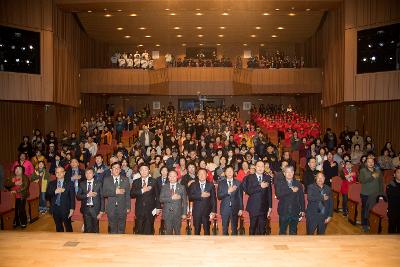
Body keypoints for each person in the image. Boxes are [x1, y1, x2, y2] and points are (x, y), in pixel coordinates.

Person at [243, 160, 272, 235]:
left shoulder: (267, 177)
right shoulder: (249, 177)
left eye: (262, 166)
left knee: (262, 229)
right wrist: (260, 186)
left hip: (264, 207)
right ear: (255, 167)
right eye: (258, 166)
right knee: (253, 227)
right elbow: (248, 191)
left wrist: (270, 206)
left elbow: (269, 193)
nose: (260, 168)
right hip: (253, 207)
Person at [275, 166, 305, 235]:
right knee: (282, 232)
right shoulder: (280, 183)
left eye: (291, 171)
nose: (289, 173)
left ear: (293, 172)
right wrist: (290, 190)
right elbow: (278, 194)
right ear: (284, 173)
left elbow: (301, 198)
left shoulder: (298, 184)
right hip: (283, 211)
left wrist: (303, 210)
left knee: (293, 232)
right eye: (287, 172)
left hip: (295, 211)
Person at [102, 162, 131, 234]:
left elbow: (127, 194)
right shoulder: (106, 179)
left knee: (122, 229)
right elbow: (104, 193)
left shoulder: (125, 179)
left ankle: (120, 244)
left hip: (123, 208)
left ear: (120, 170)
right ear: (111, 170)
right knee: (112, 229)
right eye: (114, 168)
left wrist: (128, 207)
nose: (116, 169)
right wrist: (115, 192)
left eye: (118, 168)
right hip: (111, 208)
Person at [45, 166, 75, 232]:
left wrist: (72, 209)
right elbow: (47, 196)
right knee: (58, 227)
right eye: (57, 172)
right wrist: (55, 192)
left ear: (64, 173)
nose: (59, 174)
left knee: (68, 226)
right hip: (55, 208)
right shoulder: (51, 183)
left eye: (61, 172)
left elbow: (72, 198)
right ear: (55, 174)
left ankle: (70, 240)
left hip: (66, 208)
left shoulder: (70, 183)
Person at [359, 157, 384, 232]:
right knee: (365, 210)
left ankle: (371, 223)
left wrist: (381, 193)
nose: (371, 163)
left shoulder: (378, 171)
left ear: (374, 163)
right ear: (366, 163)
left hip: (375, 194)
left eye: (372, 162)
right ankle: (364, 224)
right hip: (365, 194)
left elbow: (381, 183)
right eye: (369, 162)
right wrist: (372, 177)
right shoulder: (363, 170)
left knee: (373, 210)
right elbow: (362, 181)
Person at [131, 164, 157, 235]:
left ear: (149, 170)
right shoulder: (136, 181)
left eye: (146, 169)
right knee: (139, 230)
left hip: (151, 209)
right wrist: (142, 190)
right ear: (139, 171)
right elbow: (132, 194)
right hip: (139, 209)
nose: (144, 171)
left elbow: (157, 196)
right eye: (142, 169)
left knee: (149, 230)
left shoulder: (154, 181)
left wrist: (158, 208)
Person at [189, 168, 217, 235]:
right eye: (200, 174)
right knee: (196, 231)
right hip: (196, 212)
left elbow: (213, 199)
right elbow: (190, 197)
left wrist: (213, 211)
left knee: (207, 231)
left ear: (207, 175)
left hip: (207, 212)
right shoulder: (193, 185)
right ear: (197, 175)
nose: (201, 175)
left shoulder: (210, 185)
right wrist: (200, 195)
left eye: (203, 173)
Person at [159, 170, 187, 235]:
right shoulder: (164, 187)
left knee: (177, 233)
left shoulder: (182, 187)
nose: (172, 178)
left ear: (177, 177)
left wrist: (184, 213)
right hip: (167, 214)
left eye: (174, 176)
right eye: (170, 176)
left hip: (178, 213)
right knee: (168, 233)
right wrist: (171, 198)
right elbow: (161, 199)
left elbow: (185, 202)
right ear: (168, 177)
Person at [217, 165, 243, 235]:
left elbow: (240, 197)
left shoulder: (238, 183)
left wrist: (241, 208)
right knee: (225, 228)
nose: (229, 173)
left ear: (233, 172)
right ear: (225, 173)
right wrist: (228, 191)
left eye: (231, 171)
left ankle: (234, 245)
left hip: (235, 208)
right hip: (225, 209)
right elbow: (219, 196)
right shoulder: (221, 183)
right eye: (227, 171)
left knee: (234, 228)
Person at [76, 168, 104, 233]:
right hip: (85, 209)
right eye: (86, 173)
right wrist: (87, 195)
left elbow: (102, 198)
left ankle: (96, 242)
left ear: (93, 174)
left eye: (90, 173)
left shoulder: (99, 183)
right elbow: (78, 196)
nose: (88, 175)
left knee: (95, 229)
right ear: (85, 174)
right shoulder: (82, 183)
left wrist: (101, 211)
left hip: (95, 209)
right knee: (87, 229)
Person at [386, 167, 400, 233]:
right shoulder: (390, 185)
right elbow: (393, 196)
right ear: (394, 175)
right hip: (393, 211)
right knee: (392, 231)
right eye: (398, 172)